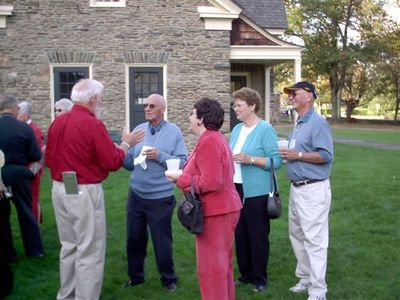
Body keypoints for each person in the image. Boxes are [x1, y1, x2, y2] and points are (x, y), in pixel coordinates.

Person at [46, 79, 143, 300]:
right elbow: (112, 161)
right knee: (89, 250)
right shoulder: (92, 124)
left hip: (59, 187)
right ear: (92, 99)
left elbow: (49, 158)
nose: (101, 103)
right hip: (83, 189)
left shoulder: (58, 122)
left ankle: (66, 295)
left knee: (69, 246)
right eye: (100, 99)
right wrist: (126, 143)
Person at [166, 98, 242, 300]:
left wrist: (180, 178)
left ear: (200, 119)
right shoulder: (214, 138)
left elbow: (212, 182)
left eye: (192, 114)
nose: (189, 118)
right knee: (221, 267)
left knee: (211, 270)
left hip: (217, 212)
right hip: (223, 209)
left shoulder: (209, 141)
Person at [122, 94, 187, 292]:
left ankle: (168, 279)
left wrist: (159, 156)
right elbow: (127, 164)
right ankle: (136, 278)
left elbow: (182, 162)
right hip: (137, 195)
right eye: (146, 106)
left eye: (152, 106)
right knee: (134, 239)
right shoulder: (139, 130)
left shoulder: (174, 132)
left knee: (162, 242)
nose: (147, 108)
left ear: (162, 109)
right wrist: (124, 149)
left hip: (161, 197)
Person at [280, 81, 333, 300]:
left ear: (309, 96)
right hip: (297, 189)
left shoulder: (318, 123)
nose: (291, 97)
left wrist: (298, 156)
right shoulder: (299, 122)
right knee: (297, 235)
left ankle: (318, 290)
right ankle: (305, 277)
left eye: (295, 93)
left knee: (315, 239)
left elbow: (326, 156)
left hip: (313, 190)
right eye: (290, 94)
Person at [229, 87, 282, 292]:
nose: (235, 109)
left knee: (257, 235)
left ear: (252, 106)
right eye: (235, 105)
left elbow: (276, 161)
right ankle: (245, 274)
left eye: (239, 105)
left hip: (257, 192)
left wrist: (250, 159)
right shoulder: (236, 130)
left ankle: (260, 278)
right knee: (240, 234)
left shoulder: (265, 129)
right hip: (236, 189)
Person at [0, 95, 44, 261]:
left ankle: (7, 254)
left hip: (0, 175)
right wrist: (29, 170)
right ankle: (35, 251)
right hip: (19, 174)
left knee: (2, 216)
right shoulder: (25, 129)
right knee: (26, 211)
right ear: (14, 109)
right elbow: (35, 155)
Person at [18, 100, 44, 223]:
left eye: (18, 113)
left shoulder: (34, 129)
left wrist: (30, 173)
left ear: (25, 115)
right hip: (23, 171)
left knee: (32, 200)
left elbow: (38, 157)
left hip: (31, 171)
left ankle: (34, 225)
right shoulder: (22, 128)